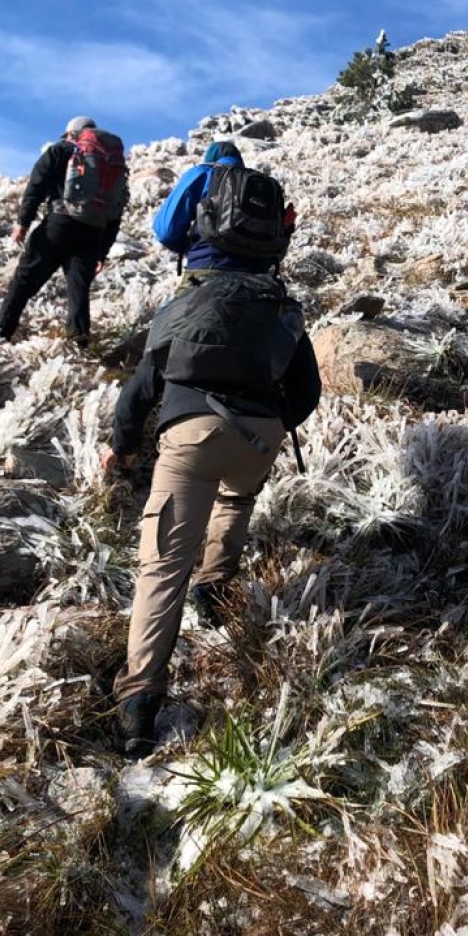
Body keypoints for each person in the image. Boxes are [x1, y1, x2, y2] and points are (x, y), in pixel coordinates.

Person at [100, 255, 321, 757]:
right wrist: (273, 424)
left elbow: (140, 389)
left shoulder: (183, 306)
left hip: (190, 435)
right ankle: (214, 585)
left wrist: (124, 446)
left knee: (163, 565)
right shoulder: (277, 309)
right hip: (259, 437)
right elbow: (308, 390)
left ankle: (139, 702)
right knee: (237, 496)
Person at [0, 116, 128, 343]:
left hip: (60, 223)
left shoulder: (60, 150)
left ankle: (1, 332)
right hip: (92, 231)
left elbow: (36, 186)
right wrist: (102, 252)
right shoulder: (109, 163)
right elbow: (116, 208)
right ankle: (79, 340)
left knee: (24, 279)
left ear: (72, 134)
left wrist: (23, 222)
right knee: (78, 289)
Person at [152, 139, 295, 273]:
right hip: (260, 276)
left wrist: (189, 248)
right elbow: (278, 245)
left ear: (211, 159)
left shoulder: (205, 172)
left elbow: (166, 232)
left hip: (208, 266)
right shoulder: (266, 187)